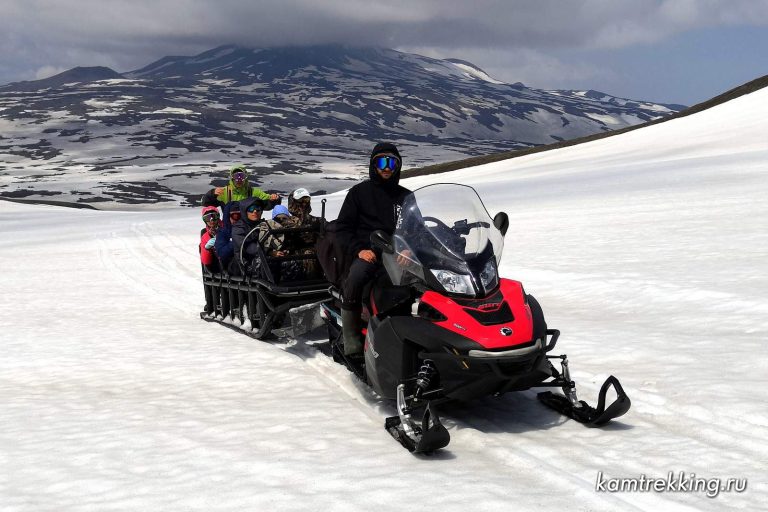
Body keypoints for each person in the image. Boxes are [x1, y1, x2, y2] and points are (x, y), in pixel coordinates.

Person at [335, 143, 411, 356]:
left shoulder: (405, 196)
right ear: (373, 164)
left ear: (398, 166)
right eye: (381, 162)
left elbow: (416, 229)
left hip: (397, 254)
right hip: (368, 253)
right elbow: (343, 228)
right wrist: (359, 250)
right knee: (357, 276)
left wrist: (409, 249)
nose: (387, 167)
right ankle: (351, 337)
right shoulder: (359, 193)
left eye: (392, 162)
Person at [231, 197, 285, 277]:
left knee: (287, 260)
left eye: (258, 208)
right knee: (265, 262)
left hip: (263, 257)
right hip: (244, 264)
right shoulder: (238, 228)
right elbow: (248, 246)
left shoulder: (264, 224)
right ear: (244, 211)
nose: (255, 211)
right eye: (251, 209)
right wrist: (269, 252)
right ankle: (273, 286)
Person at [201, 164, 280, 208]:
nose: (239, 179)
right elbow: (205, 203)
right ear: (232, 177)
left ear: (245, 177)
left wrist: (274, 199)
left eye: (241, 176)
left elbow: (267, 203)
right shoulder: (224, 192)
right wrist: (212, 194)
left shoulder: (253, 192)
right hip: (230, 228)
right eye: (236, 176)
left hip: (248, 228)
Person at [213, 201, 241, 275]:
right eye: (235, 216)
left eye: (241, 216)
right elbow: (221, 253)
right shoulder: (223, 232)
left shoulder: (248, 229)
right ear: (228, 216)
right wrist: (235, 243)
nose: (238, 219)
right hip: (231, 267)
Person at [199, 206, 222, 273]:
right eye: (208, 218)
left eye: (213, 216)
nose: (211, 220)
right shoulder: (205, 234)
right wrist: (207, 249)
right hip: (214, 265)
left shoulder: (226, 228)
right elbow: (206, 261)